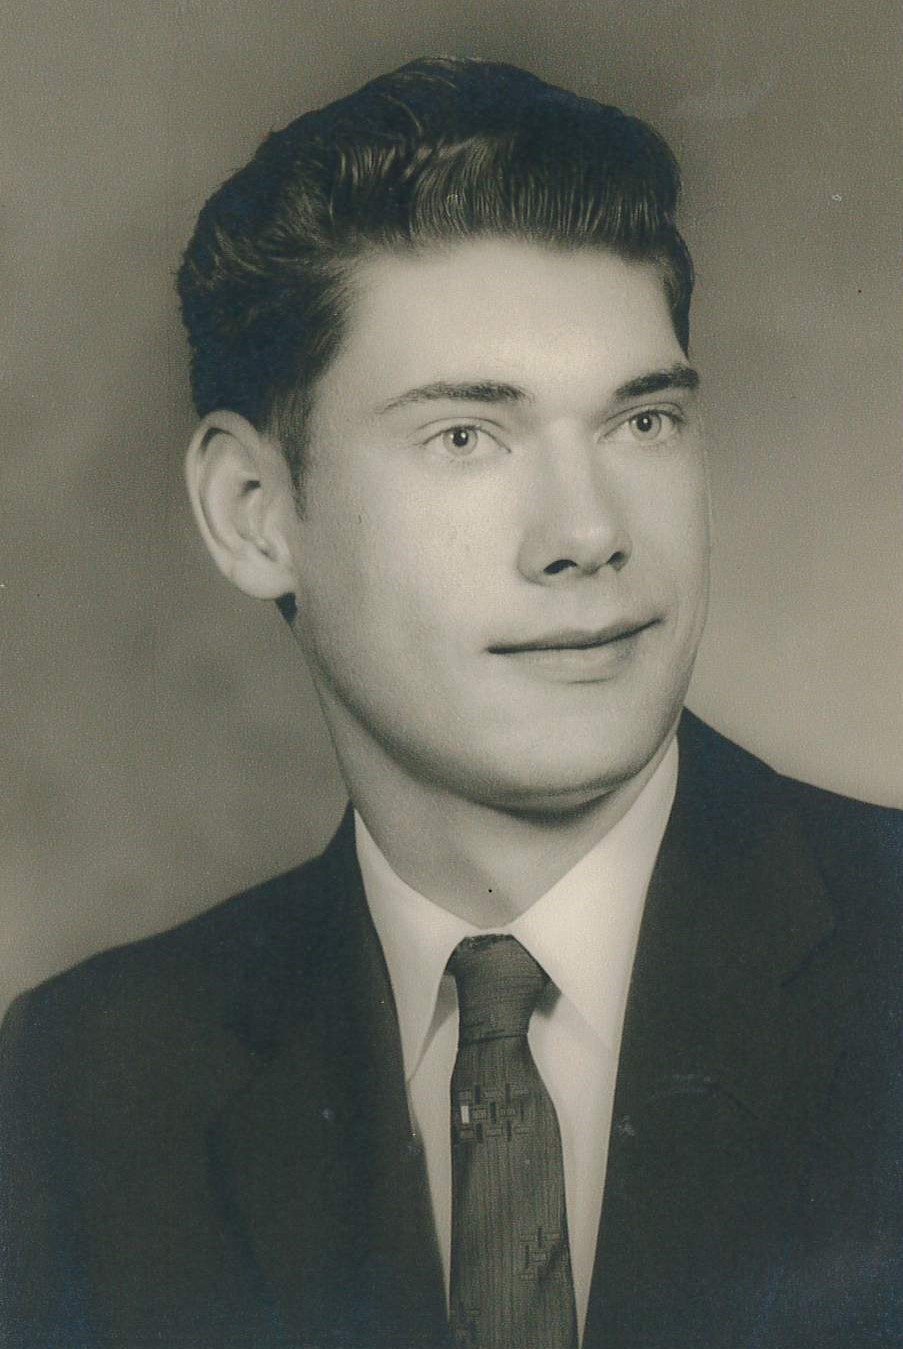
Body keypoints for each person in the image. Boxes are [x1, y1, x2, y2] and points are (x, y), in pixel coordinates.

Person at [1, 57, 901, 1349]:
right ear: (253, 515)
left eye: (643, 422)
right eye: (466, 437)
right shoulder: (89, 1086)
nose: (587, 534)